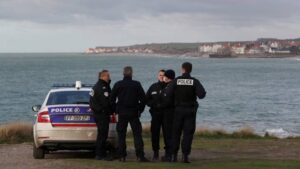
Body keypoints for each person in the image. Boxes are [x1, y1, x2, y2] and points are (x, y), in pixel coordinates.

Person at [167, 62, 206, 163]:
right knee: (188, 134)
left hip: (178, 110)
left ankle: (173, 156)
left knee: (175, 133)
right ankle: (185, 156)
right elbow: (202, 95)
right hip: (190, 111)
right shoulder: (194, 81)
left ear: (182, 69)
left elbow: (168, 93)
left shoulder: (176, 81)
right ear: (190, 70)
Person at [110, 66, 149, 162]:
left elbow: (111, 99)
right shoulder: (136, 84)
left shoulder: (118, 84)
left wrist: (116, 109)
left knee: (121, 135)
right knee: (137, 135)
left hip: (122, 113)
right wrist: (140, 109)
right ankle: (140, 156)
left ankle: (122, 156)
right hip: (134, 112)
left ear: (123, 74)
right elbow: (143, 99)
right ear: (131, 73)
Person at [89, 70, 113, 160]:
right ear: (103, 76)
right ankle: (100, 154)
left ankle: (101, 153)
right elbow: (94, 103)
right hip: (101, 115)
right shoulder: (99, 87)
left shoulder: (103, 86)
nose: (109, 78)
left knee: (102, 134)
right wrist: (103, 110)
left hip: (102, 114)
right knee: (102, 134)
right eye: (108, 76)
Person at [146, 69, 166, 161]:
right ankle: (155, 153)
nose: (161, 76)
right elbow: (146, 99)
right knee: (155, 134)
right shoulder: (153, 87)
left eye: (163, 75)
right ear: (158, 76)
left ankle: (168, 153)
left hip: (167, 115)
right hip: (155, 114)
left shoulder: (170, 86)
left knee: (167, 134)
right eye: (160, 75)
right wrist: (153, 104)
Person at [160, 69, 176, 162]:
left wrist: (159, 105)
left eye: (165, 76)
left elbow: (167, 101)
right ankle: (171, 154)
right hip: (173, 114)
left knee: (168, 135)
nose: (163, 77)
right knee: (172, 135)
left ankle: (169, 155)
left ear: (168, 77)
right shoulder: (172, 86)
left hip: (169, 114)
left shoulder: (170, 87)